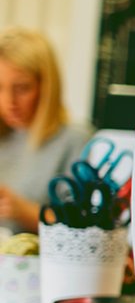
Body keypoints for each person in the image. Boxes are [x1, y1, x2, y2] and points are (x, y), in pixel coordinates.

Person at [0, 27, 90, 233]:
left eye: (22, 88)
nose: (8, 102)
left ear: (47, 87)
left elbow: (84, 229)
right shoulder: (4, 137)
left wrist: (25, 212)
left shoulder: (74, 141)